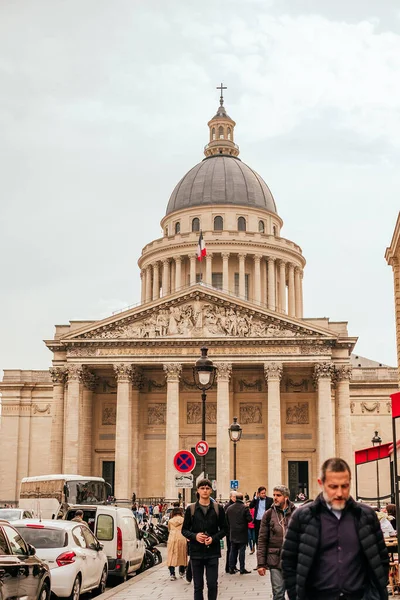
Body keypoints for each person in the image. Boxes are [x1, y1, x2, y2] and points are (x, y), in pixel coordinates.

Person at [282, 457, 389, 600]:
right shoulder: (303, 517)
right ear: (321, 483)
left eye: (344, 486)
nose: (339, 493)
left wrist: (375, 595)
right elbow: (289, 562)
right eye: (333, 487)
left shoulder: (366, 516)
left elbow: (381, 559)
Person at [182, 479, 226, 600]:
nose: (205, 491)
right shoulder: (190, 509)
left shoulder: (218, 508)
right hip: (196, 552)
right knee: (198, 586)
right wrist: (195, 536)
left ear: (211, 490)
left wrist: (213, 538)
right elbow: (184, 530)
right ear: (198, 491)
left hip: (212, 552)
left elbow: (224, 529)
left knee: (212, 584)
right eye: (202, 488)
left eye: (207, 488)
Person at [257, 485, 296, 600]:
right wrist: (261, 564)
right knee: (278, 593)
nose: (275, 498)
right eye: (274, 495)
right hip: (275, 559)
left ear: (286, 497)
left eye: (278, 495)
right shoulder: (268, 514)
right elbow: (262, 539)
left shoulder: (297, 513)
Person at [226, 492, 252, 575]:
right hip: (242, 532)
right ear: (242, 499)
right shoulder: (244, 508)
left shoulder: (229, 508)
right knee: (242, 551)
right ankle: (242, 568)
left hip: (232, 532)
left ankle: (231, 568)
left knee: (232, 550)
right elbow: (249, 519)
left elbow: (226, 520)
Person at [167, 507, 188, 580]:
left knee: (171, 555)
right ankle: (182, 572)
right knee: (182, 554)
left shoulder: (170, 521)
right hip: (182, 537)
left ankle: (172, 573)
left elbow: (169, 529)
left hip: (172, 538)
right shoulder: (184, 520)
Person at [224, 491, 237, 573]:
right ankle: (228, 566)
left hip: (232, 530)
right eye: (235, 497)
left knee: (234, 549)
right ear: (231, 497)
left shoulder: (231, 506)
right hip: (230, 531)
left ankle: (233, 565)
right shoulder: (228, 506)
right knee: (230, 549)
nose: (236, 498)